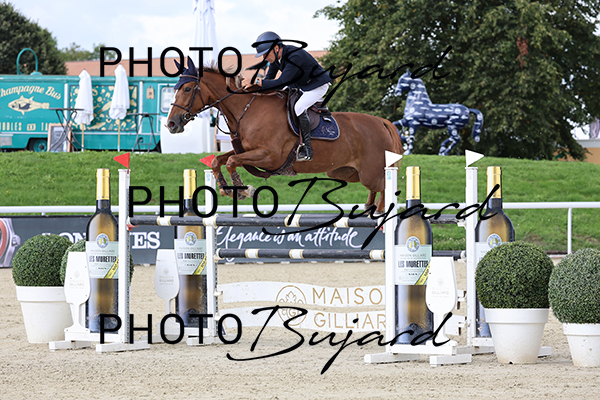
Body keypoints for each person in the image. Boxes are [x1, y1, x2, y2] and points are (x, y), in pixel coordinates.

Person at [242, 31, 333, 162]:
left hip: (316, 85)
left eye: (266, 54)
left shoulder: (295, 56)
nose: (264, 58)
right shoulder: (275, 59)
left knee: (299, 107)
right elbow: (269, 80)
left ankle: (307, 149)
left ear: (276, 48)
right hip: (300, 84)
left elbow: (281, 82)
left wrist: (256, 81)